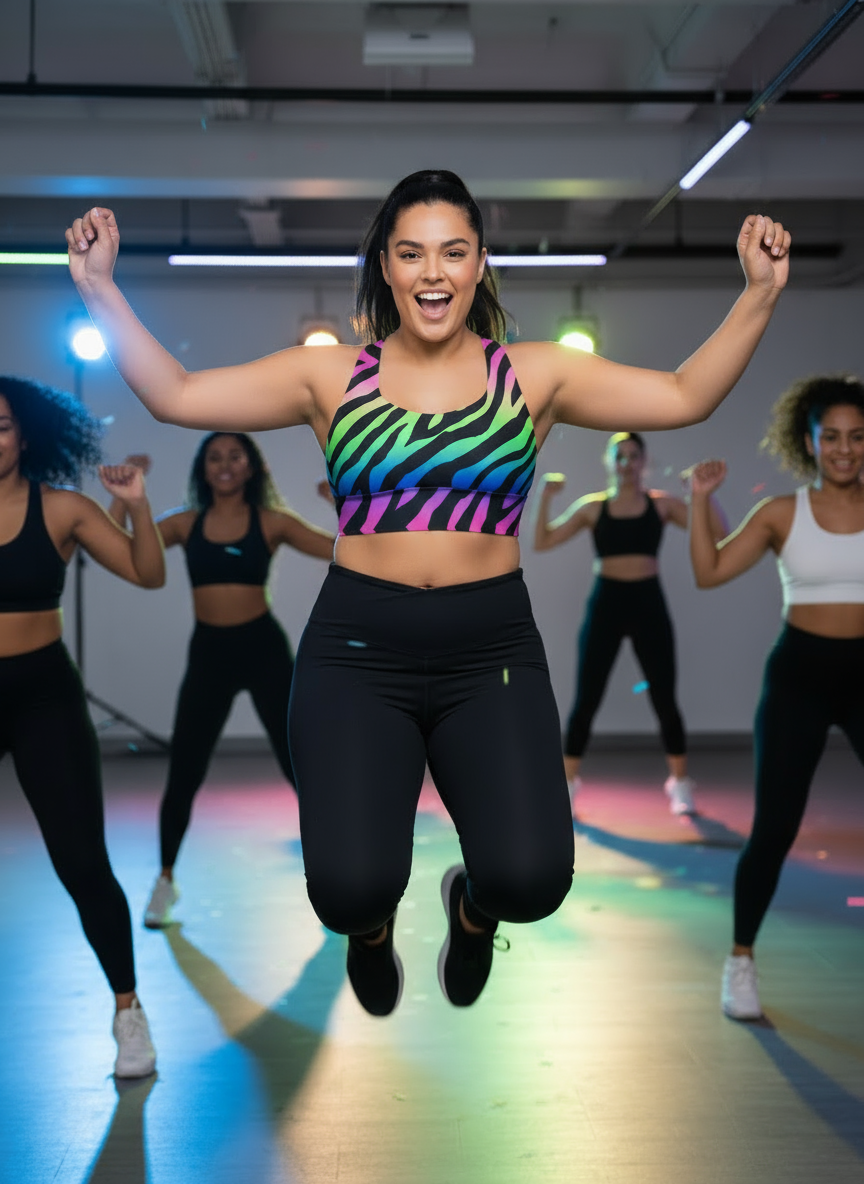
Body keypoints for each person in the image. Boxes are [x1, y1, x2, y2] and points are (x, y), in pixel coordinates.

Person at [66, 169, 790, 1017]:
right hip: (357, 650)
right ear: (384, 264)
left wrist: (759, 294)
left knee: (530, 879)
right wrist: (99, 290)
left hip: (491, 652)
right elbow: (179, 395)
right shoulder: (331, 377)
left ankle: (471, 910)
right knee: (347, 890)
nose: (433, 272)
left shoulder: (537, 374)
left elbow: (682, 395)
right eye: (411, 253)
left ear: (481, 264)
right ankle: (369, 934)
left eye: (453, 252)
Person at [0, 376, 164, 1075]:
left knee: (82, 863)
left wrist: (136, 507)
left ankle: (129, 1012)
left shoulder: (61, 508)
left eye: (0, 425)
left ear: (25, 434)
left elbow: (146, 573)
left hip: (43, 696)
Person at [689, 374, 864, 1021]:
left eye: (857, 438)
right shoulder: (782, 515)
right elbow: (708, 575)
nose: (845, 449)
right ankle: (740, 962)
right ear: (810, 443)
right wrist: (702, 502)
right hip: (800, 678)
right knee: (774, 828)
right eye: (833, 438)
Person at [107, 436, 334, 928]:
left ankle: (333, 874)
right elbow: (119, 544)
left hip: (263, 650)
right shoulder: (186, 522)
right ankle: (165, 879)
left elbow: (342, 551)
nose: (225, 465)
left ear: (251, 467)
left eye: (236, 456)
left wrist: (342, 503)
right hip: (210, 653)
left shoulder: (272, 521)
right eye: (215, 457)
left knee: (298, 762)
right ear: (203, 469)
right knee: (185, 770)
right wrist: (125, 499)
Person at [534, 432, 727, 814]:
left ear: (644, 461)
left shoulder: (661, 506)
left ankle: (680, 784)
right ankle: (567, 784)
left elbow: (719, 532)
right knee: (587, 698)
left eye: (632, 456)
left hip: (647, 603)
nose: (626, 463)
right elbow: (543, 541)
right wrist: (545, 495)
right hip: (606, 603)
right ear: (609, 462)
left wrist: (703, 494)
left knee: (664, 697)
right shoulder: (594, 507)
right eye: (619, 456)